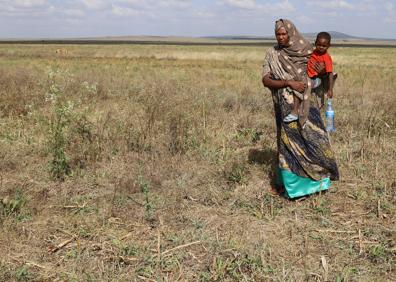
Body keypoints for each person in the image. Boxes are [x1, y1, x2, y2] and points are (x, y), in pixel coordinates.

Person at [261, 19, 339, 199]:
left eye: (284, 34)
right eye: (277, 34)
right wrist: (288, 82)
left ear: (291, 33)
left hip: (308, 104)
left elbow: (322, 76)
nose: (281, 37)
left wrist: (320, 74)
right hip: (286, 107)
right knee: (289, 146)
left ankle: (319, 182)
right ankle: (294, 189)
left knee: (315, 140)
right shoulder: (272, 54)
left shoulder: (307, 51)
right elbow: (265, 80)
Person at [307, 32, 337, 108]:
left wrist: (330, 89)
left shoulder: (326, 57)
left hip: (316, 79)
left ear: (328, 46)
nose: (321, 47)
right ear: (315, 43)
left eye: (324, 46)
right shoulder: (312, 52)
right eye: (319, 45)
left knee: (306, 86)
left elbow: (330, 73)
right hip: (308, 76)